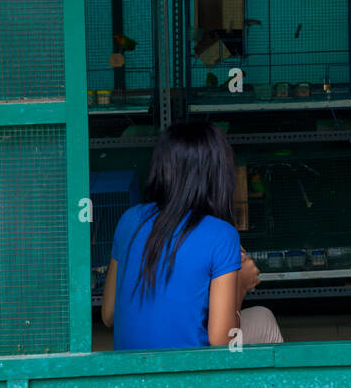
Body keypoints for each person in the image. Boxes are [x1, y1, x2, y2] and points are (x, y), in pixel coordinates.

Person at [101, 121, 283, 349]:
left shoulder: (129, 220)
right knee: (264, 319)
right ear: (217, 174)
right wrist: (241, 286)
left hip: (133, 374)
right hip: (187, 375)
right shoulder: (221, 234)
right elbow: (221, 341)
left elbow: (108, 315)